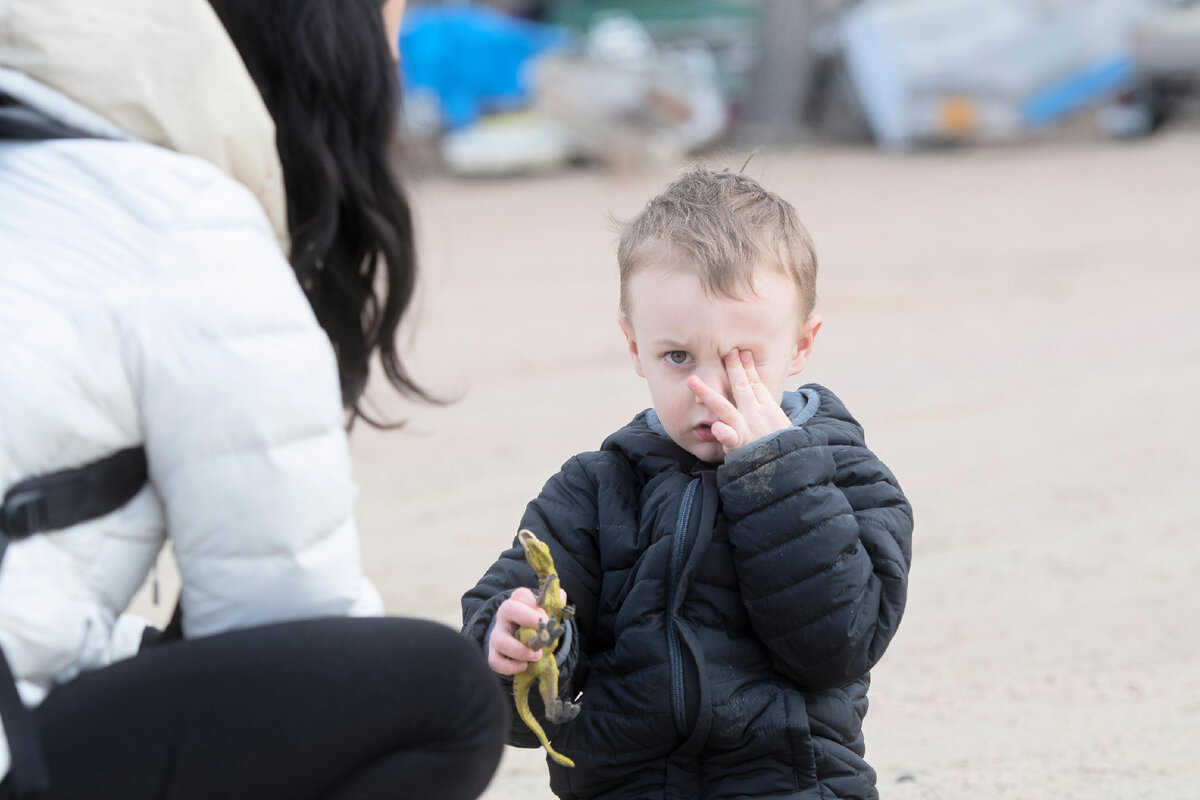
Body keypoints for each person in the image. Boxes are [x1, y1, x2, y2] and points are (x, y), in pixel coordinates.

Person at [0, 0, 504, 798]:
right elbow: (291, 622)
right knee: (438, 695)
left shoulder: (33, 152)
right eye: (392, 25)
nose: (399, 65)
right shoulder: (181, 219)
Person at [463, 167, 914, 799]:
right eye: (678, 357)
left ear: (802, 345)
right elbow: (510, 695)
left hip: (791, 784)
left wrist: (776, 477)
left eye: (743, 359)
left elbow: (841, 644)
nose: (710, 390)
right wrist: (516, 644)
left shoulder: (847, 477)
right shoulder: (593, 490)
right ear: (634, 345)